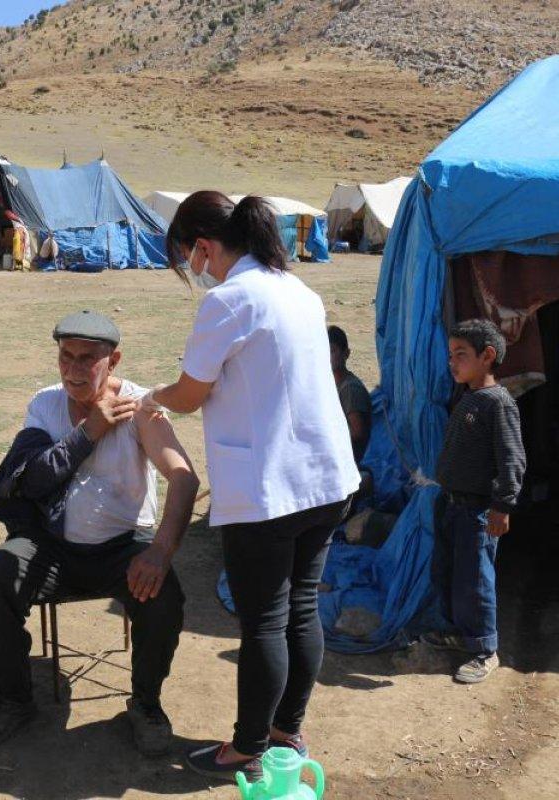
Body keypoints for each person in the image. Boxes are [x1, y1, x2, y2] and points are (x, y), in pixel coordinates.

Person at [142, 192, 360, 782]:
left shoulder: (230, 300)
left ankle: (246, 748)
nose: (194, 270)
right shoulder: (298, 290)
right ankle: (286, 730)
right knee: (302, 607)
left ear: (204, 247)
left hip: (270, 490)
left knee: (264, 619)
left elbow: (190, 394)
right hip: (325, 479)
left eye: (189, 258)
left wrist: (151, 398)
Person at [0, 310, 200, 755]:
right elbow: (31, 480)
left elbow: (184, 478)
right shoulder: (46, 404)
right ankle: (11, 702)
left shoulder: (140, 406)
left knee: (164, 592)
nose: (73, 370)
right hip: (51, 548)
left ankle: (146, 705)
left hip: (121, 551)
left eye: (87, 359)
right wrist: (91, 429)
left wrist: (160, 552)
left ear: (113, 361)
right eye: (65, 357)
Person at [424, 319, 526, 684]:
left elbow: (512, 459)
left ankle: (485, 649)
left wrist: (502, 506)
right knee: (448, 573)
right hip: (451, 504)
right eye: (451, 354)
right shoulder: (467, 397)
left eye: (461, 355)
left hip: (478, 510)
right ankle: (458, 633)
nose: (452, 362)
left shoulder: (498, 404)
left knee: (475, 580)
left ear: (487, 356)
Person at [327, 325, 372, 464]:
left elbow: (357, 433)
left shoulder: (350, 389)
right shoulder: (333, 383)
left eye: (332, 351)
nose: (327, 357)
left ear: (346, 354)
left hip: (349, 462)